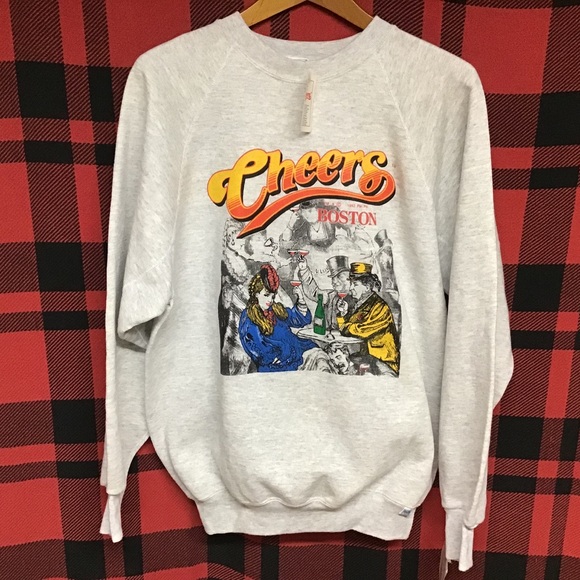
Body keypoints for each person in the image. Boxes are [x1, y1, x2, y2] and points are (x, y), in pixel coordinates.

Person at [238, 264, 316, 372]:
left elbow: (298, 319)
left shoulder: (275, 310)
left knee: (320, 358)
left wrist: (301, 299)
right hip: (278, 366)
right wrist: (283, 351)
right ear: (256, 294)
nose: (270, 300)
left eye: (273, 296)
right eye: (266, 295)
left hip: (299, 352)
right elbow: (257, 348)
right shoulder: (249, 316)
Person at [336, 262, 400, 376]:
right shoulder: (362, 304)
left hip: (383, 362)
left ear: (367, 287)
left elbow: (361, 330)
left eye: (355, 284)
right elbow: (346, 329)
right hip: (368, 357)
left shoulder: (380, 307)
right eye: (351, 284)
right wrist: (343, 313)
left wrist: (346, 326)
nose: (351, 288)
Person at [297, 254, 356, 330]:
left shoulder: (356, 298)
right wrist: (304, 270)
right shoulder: (329, 295)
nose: (334, 282)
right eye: (333, 278)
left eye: (340, 277)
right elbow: (313, 291)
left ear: (350, 279)